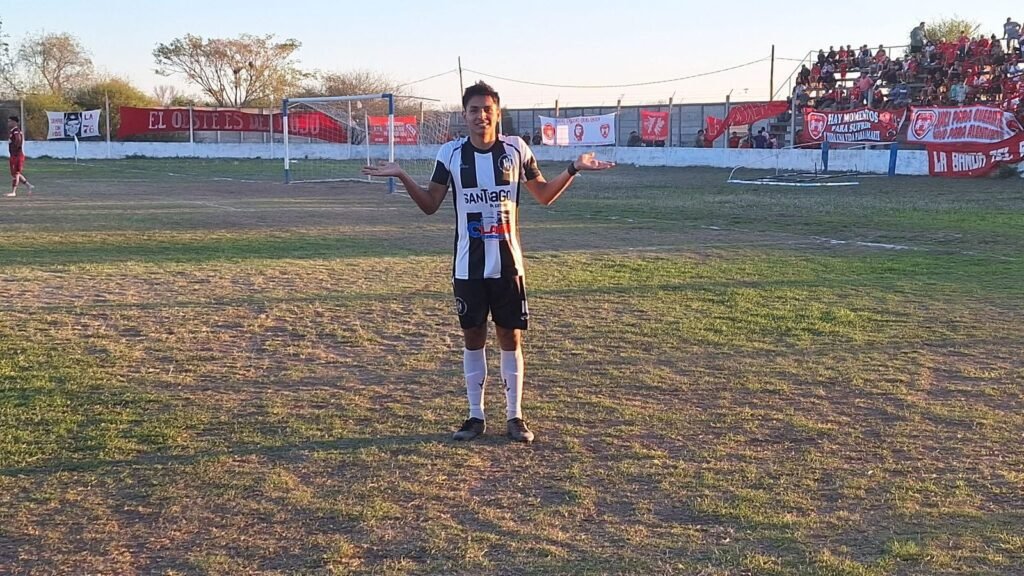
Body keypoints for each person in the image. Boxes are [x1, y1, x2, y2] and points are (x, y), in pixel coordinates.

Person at [361, 82, 613, 444]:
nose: (481, 116)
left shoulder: (516, 149)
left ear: (497, 112)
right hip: (468, 266)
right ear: (465, 115)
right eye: (474, 110)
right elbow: (431, 204)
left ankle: (515, 416)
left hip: (508, 265)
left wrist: (573, 168)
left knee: (510, 337)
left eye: (487, 109)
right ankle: (475, 415)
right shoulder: (450, 153)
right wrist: (402, 175)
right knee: (473, 336)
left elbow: (543, 195)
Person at [6, 116, 33, 197]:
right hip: (13, 155)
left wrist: (15, 148)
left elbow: (18, 139)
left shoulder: (16, 131)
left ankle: (13, 192)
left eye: (10, 121)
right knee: (15, 174)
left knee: (16, 173)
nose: (8, 123)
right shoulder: (13, 131)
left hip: (17, 155)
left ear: (14, 122)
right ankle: (29, 185)